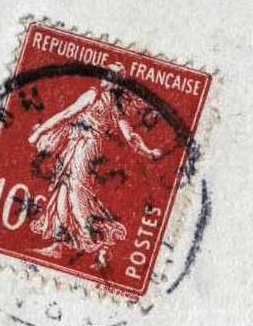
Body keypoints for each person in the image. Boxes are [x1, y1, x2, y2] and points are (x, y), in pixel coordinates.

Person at [26, 63, 162, 270]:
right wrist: (148, 152)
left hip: (85, 147)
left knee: (76, 194)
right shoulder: (112, 103)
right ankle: (60, 245)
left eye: (113, 77)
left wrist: (38, 133)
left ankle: (102, 243)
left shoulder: (96, 97)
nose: (108, 79)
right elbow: (131, 137)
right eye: (107, 75)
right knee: (64, 191)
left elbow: (67, 114)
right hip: (77, 145)